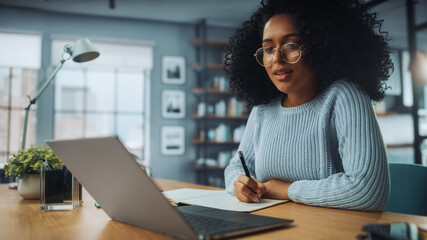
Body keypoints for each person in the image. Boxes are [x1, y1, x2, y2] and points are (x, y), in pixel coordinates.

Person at [223, 0, 393, 211]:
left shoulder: (343, 96)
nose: (277, 58)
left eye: (291, 45)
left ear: (321, 44)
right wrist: (239, 185)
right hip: (275, 226)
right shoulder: (262, 111)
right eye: (268, 49)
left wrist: (284, 189)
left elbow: (367, 191)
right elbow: (236, 168)